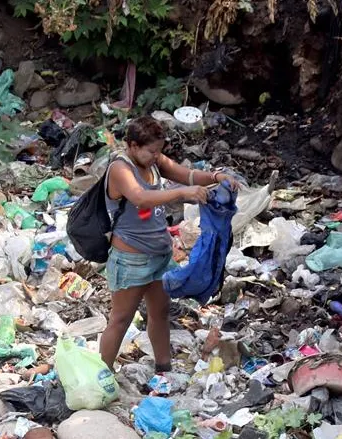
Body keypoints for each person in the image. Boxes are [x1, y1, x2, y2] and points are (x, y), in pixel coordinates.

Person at [99, 116, 239, 374]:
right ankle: (100, 377)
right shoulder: (120, 169)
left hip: (159, 256)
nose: (156, 156)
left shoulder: (154, 162)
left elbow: (186, 174)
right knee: (120, 320)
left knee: (160, 314)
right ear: (132, 145)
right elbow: (141, 198)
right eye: (151, 151)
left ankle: (164, 369)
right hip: (131, 259)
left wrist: (217, 176)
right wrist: (182, 193)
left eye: (159, 150)